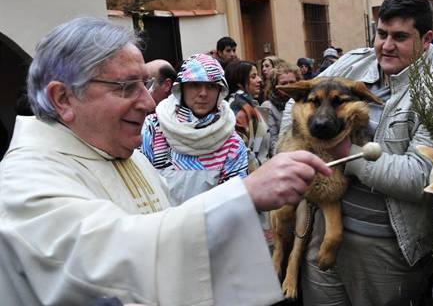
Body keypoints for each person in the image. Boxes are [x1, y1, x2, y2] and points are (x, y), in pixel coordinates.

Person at [0, 17, 331, 305]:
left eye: (144, 84)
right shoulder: (25, 181)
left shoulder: (127, 156)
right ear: (63, 97)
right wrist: (242, 194)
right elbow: (105, 256)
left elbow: (172, 232)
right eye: (127, 87)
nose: (148, 103)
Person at [280, 0, 433, 305]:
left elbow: (420, 177)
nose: (386, 45)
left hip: (386, 249)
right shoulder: (353, 64)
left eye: (400, 37)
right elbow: (296, 102)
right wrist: (303, 144)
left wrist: (342, 153)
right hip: (323, 232)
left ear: (426, 39)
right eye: (381, 34)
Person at [140, 54, 248, 205]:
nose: (203, 93)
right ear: (181, 88)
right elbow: (139, 188)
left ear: (220, 91)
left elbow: (235, 204)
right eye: (195, 84)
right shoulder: (153, 129)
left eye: (211, 86)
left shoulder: (231, 143)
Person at [225, 60, 270, 170]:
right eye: (253, 77)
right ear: (239, 83)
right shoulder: (239, 108)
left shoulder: (249, 104)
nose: (259, 80)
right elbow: (245, 150)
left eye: (258, 75)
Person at [261, 62, 301, 157]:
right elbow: (271, 142)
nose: (288, 86)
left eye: (292, 82)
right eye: (283, 83)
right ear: (275, 86)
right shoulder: (265, 107)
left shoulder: (303, 103)